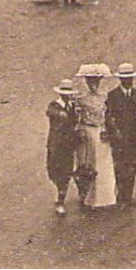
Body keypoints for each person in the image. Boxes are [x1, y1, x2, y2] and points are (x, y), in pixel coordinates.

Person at [104, 63, 136, 208]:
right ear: (120, 80)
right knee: (120, 167)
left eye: (130, 78)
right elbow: (108, 116)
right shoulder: (112, 96)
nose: (128, 81)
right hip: (119, 138)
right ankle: (121, 196)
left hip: (134, 138)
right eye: (125, 78)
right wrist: (114, 132)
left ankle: (128, 196)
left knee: (132, 166)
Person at [73, 65, 118, 210]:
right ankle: (87, 197)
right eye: (90, 81)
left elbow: (108, 115)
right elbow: (76, 117)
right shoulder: (80, 98)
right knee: (87, 163)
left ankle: (106, 198)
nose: (93, 84)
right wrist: (79, 130)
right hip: (87, 131)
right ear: (86, 81)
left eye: (96, 81)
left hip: (101, 132)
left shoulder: (104, 97)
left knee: (104, 164)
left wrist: (106, 129)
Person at [45, 80, 81, 213]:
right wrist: (61, 115)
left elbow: (75, 122)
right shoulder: (55, 105)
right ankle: (60, 190)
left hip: (68, 145)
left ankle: (61, 199)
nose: (67, 96)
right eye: (65, 94)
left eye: (69, 94)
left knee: (66, 172)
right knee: (54, 170)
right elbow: (50, 112)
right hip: (56, 144)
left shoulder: (72, 106)